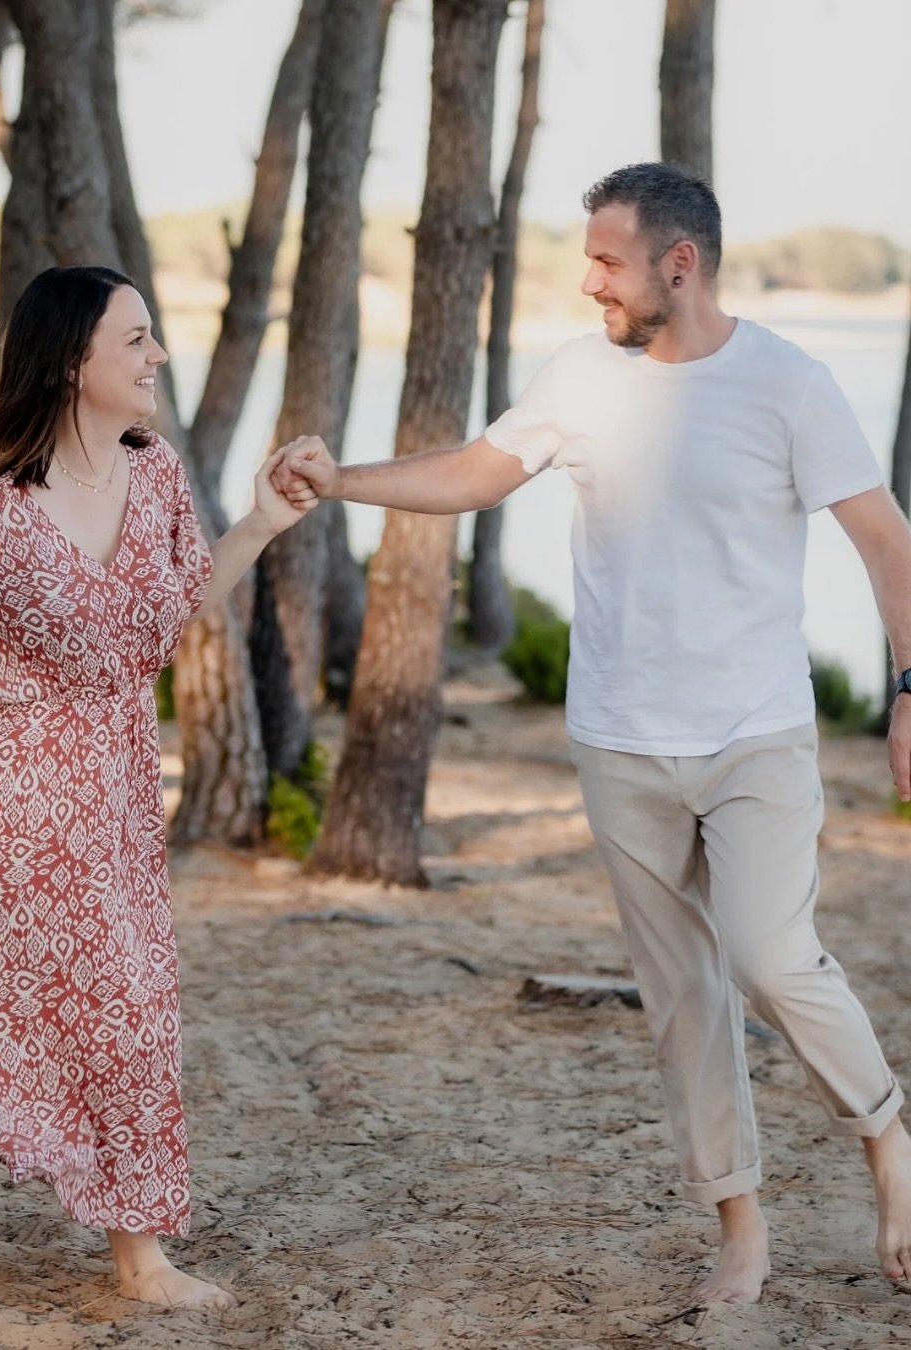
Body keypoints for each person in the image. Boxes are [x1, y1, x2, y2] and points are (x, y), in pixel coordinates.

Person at [273, 162, 911, 1304]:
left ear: (681, 264)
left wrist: (909, 690)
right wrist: (340, 482)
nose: (590, 283)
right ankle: (741, 1225)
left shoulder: (790, 384)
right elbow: (477, 474)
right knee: (682, 993)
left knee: (771, 954)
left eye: (608, 262)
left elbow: (885, 541)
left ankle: (887, 1137)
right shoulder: (579, 375)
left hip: (757, 733)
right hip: (619, 737)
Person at [0, 265, 316, 1310]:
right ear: (68, 362)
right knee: (104, 1016)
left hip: (118, 794)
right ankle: (141, 1263)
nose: (158, 355)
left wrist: (264, 521)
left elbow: (180, 602)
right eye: (135, 339)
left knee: (30, 1026)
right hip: (13, 799)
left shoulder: (155, 473)